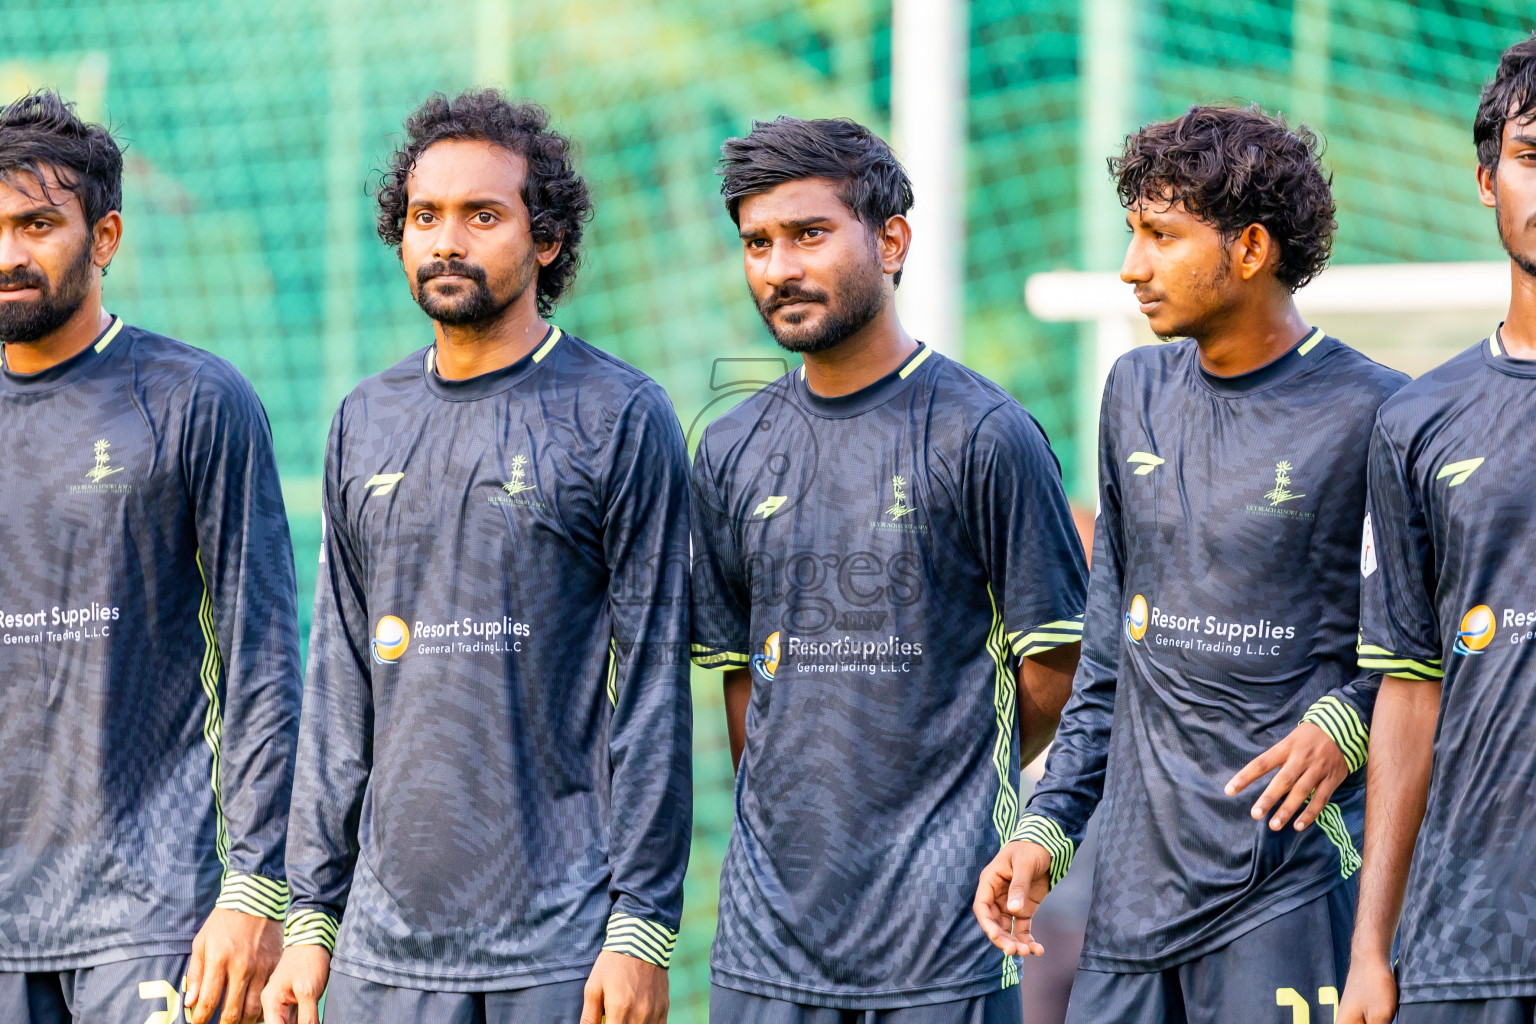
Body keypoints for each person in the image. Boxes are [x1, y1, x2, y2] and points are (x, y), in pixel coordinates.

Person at [260, 90, 693, 1024]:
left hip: (561, 946)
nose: (447, 241)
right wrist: (310, 915)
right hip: (381, 951)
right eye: (425, 217)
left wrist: (641, 928)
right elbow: (338, 682)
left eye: (482, 216)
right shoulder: (364, 418)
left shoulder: (621, 415)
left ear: (548, 240)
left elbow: (653, 688)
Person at [974, 105, 1407, 1024]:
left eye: (1162, 237)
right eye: (1133, 233)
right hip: (1129, 904)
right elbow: (1107, 658)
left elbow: (1434, 650)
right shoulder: (1133, 391)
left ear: (1251, 249)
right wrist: (1048, 826)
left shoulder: (1382, 414)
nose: (1133, 267)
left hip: (1287, 888)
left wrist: (1348, 722)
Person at [691, 115, 1087, 1024]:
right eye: (757, 242)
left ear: (892, 241)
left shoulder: (987, 435)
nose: (779, 267)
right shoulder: (727, 449)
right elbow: (745, 686)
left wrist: (941, 777)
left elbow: (1058, 672)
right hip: (764, 948)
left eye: (809, 234)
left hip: (942, 942)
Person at [0, 91, 303, 1024]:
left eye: (36, 225)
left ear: (106, 237)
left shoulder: (193, 401)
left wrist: (256, 889)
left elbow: (262, 663)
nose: (8, 253)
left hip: (157, 915)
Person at [1337, 34, 1536, 1024]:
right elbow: (1409, 689)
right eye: (1534, 155)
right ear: (1487, 178)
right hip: (1465, 942)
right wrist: (1370, 949)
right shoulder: (1418, 422)